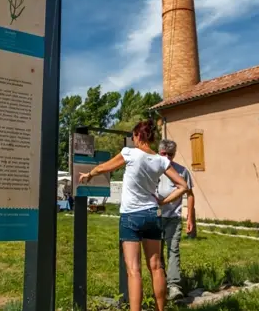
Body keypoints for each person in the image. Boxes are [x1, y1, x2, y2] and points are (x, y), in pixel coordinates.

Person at [78, 119, 188, 311]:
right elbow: (183, 186)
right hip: (152, 215)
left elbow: (105, 167)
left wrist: (89, 175)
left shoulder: (129, 153)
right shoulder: (161, 160)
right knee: (156, 267)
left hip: (130, 216)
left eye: (133, 136)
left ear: (137, 136)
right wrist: (162, 201)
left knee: (133, 271)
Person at [156, 139, 195, 300]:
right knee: (156, 253)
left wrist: (190, 217)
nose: (167, 157)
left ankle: (174, 286)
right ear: (159, 152)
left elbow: (190, 194)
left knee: (173, 250)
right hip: (155, 217)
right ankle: (160, 283)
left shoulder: (182, 171)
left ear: (174, 155)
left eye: (170, 155)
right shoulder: (152, 169)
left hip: (173, 217)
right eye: (163, 153)